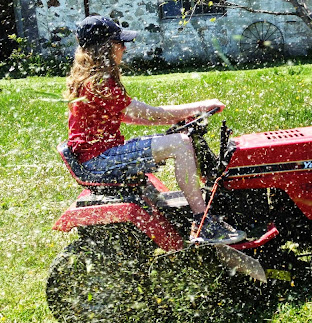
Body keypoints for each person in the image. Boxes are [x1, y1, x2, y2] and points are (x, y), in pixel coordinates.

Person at [64, 15, 245, 244]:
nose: (124, 49)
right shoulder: (100, 82)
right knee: (180, 143)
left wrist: (181, 119)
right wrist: (200, 107)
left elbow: (133, 117)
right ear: (105, 48)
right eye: (120, 43)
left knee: (179, 138)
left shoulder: (91, 79)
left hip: (98, 156)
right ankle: (202, 222)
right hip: (99, 160)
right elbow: (149, 113)